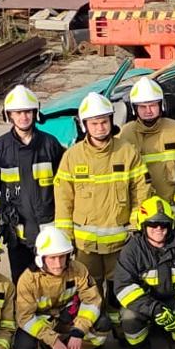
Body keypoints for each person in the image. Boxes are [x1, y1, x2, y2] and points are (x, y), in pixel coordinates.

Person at [54, 92, 147, 313]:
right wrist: (66, 239)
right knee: (90, 290)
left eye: (104, 121)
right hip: (86, 246)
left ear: (111, 121)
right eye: (94, 123)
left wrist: (135, 225)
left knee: (120, 290)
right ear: (85, 125)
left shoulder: (126, 151)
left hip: (121, 242)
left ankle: (122, 330)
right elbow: (63, 198)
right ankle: (96, 329)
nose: (100, 127)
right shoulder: (72, 156)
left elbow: (141, 190)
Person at [111, 197, 175, 349]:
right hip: (146, 305)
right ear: (143, 226)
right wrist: (155, 309)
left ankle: (173, 337)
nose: (159, 229)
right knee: (128, 316)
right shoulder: (132, 251)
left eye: (163, 224)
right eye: (153, 224)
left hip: (174, 303)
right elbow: (123, 287)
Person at [0, 85, 65, 277]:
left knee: (52, 281)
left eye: (28, 112)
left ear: (35, 113)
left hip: (49, 229)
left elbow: (63, 185)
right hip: (17, 233)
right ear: (9, 115)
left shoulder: (50, 144)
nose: (24, 117)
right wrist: (5, 211)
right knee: (21, 283)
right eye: (18, 112)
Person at [12, 226, 104, 349]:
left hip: (68, 317)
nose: (58, 263)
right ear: (41, 258)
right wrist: (53, 340)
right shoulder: (28, 280)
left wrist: (78, 332)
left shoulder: (78, 269)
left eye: (62, 256)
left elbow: (92, 301)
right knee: (24, 348)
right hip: (43, 321)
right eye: (52, 258)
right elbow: (25, 317)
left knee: (103, 325)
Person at [121, 76, 175, 207]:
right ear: (134, 108)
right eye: (143, 107)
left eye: (152, 105)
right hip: (141, 210)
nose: (148, 111)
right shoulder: (126, 134)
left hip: (173, 209)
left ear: (161, 105)